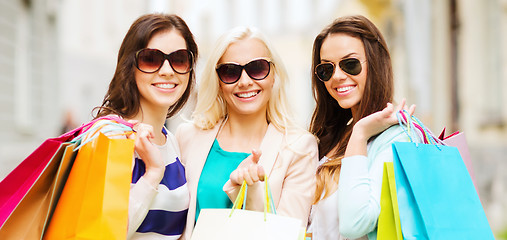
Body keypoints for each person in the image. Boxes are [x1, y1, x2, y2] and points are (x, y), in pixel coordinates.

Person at [176, 26, 318, 238]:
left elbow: (288, 234)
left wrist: (252, 191)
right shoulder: (187, 137)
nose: (244, 82)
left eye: (257, 68)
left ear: (273, 75)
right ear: (218, 81)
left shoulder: (300, 148)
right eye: (230, 71)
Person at [307, 15, 418, 240]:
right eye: (326, 69)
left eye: (350, 64)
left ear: (375, 64)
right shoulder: (331, 138)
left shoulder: (397, 138)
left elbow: (355, 224)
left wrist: (360, 134)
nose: (337, 76)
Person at [93, 13, 198, 239]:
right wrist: (152, 173)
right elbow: (105, 233)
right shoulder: (110, 136)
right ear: (130, 66)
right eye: (151, 59)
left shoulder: (171, 141)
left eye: (179, 59)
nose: (168, 70)